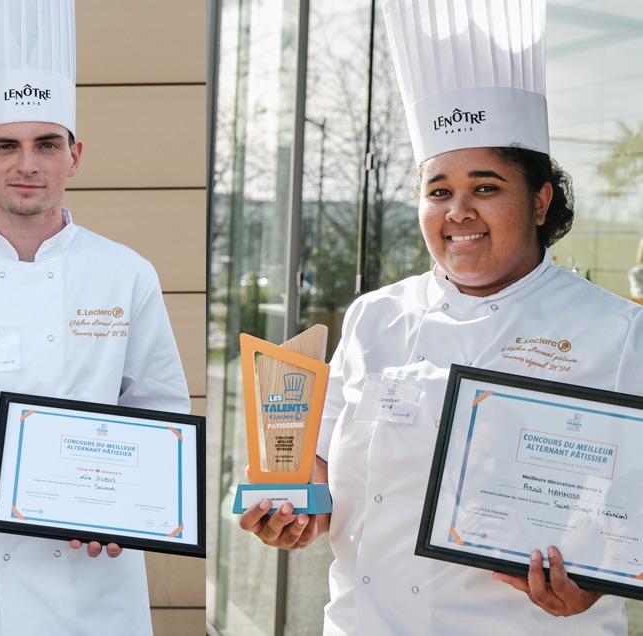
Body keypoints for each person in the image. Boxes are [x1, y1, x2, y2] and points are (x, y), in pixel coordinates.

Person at [238, 1, 643, 634]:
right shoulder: (375, 317)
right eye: (438, 190)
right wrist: (297, 509)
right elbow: (319, 460)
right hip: (364, 621)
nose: (457, 210)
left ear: (539, 200)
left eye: (485, 187)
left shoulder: (616, 332)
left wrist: (592, 585)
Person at [0, 1, 189, 633]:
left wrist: (123, 508)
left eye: (46, 144)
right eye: (7, 146)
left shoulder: (126, 273)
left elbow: (160, 413)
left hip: (91, 591)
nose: (27, 164)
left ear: (74, 156)